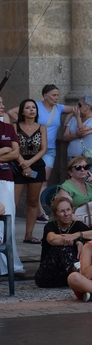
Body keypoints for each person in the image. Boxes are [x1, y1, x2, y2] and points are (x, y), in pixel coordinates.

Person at [34, 194, 92, 288]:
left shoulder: (77, 225)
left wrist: (77, 235)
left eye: (68, 210)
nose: (66, 214)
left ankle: (83, 275)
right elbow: (52, 239)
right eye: (62, 211)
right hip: (47, 276)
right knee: (62, 247)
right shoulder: (51, 225)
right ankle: (82, 276)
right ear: (55, 214)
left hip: (67, 276)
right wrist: (76, 242)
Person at [13, 99, 47, 244]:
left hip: (36, 165)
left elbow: (44, 149)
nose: (32, 110)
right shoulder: (15, 126)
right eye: (28, 108)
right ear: (22, 111)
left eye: (34, 107)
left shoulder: (41, 127)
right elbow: (14, 147)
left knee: (33, 202)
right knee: (12, 202)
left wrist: (30, 163)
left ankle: (29, 234)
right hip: (18, 164)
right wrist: (24, 164)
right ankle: (7, 233)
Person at [0, 97, 25, 278]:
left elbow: (16, 153)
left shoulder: (9, 128)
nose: (3, 106)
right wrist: (4, 151)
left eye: (3, 102)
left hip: (6, 178)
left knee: (9, 220)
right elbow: (10, 151)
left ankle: (11, 264)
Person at [56, 155, 92, 221]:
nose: (82, 169)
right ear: (70, 172)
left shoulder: (91, 186)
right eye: (78, 167)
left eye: (85, 167)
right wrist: (83, 225)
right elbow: (66, 213)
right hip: (74, 223)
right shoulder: (66, 188)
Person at [62, 96, 92, 166]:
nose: (77, 107)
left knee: (88, 176)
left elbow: (82, 130)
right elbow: (65, 137)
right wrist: (76, 135)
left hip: (89, 157)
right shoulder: (73, 119)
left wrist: (78, 117)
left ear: (88, 106)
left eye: (80, 105)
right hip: (73, 156)